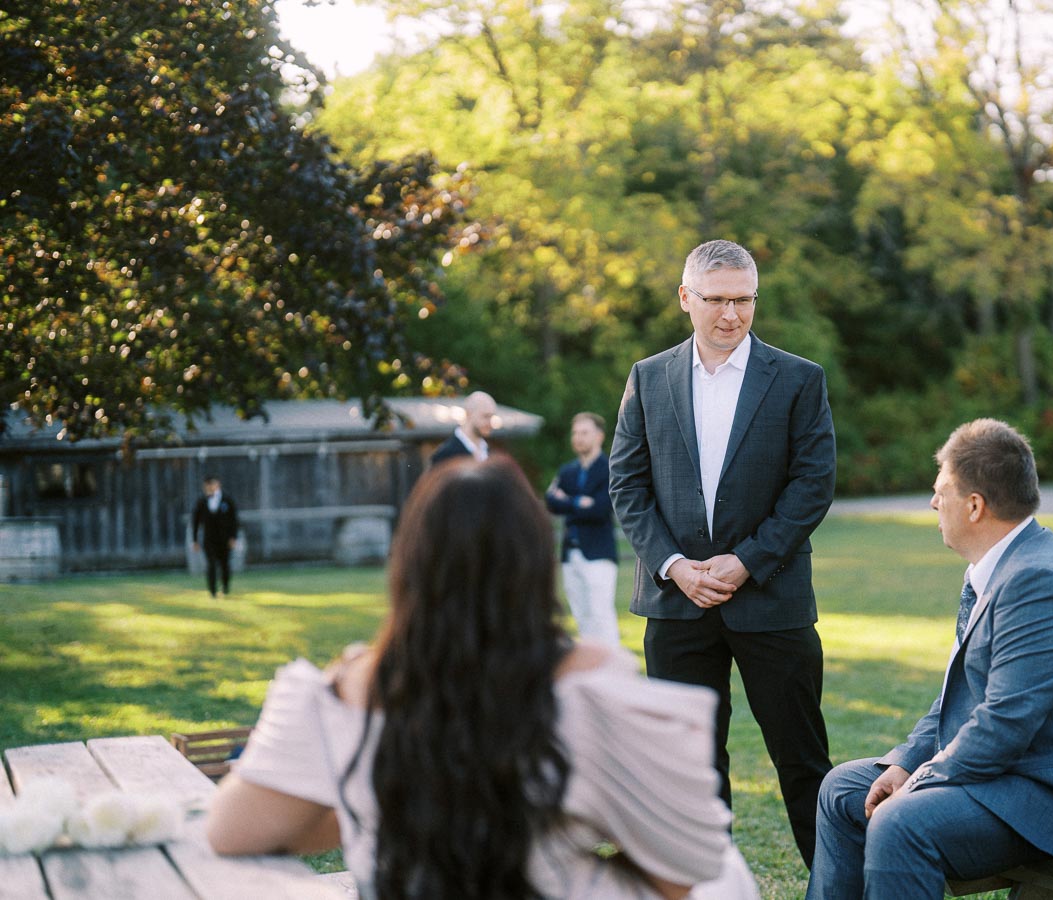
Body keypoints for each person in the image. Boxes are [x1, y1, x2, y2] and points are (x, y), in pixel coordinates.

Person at [206, 457, 758, 900]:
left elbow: (230, 831)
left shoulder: (342, 692)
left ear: (409, 565)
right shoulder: (593, 691)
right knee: (726, 876)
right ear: (534, 566)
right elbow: (682, 876)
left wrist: (368, 800)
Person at [808, 419, 1053, 899]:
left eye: (941, 492)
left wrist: (919, 782)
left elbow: (1003, 724)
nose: (933, 503)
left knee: (899, 824)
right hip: (1005, 780)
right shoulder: (999, 567)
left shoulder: (1041, 583)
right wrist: (905, 762)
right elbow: (957, 693)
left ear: (974, 506)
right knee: (841, 789)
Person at [609, 239, 836, 867]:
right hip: (676, 606)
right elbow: (626, 485)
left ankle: (838, 885)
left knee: (803, 762)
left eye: (743, 300)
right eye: (716, 300)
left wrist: (747, 562)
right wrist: (674, 566)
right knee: (688, 773)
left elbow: (812, 484)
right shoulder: (647, 378)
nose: (730, 314)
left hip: (772, 602)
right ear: (686, 299)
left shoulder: (799, 379)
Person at [546, 412, 622, 646]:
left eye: (584, 432)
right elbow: (551, 502)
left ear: (599, 436)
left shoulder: (610, 468)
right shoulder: (567, 471)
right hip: (570, 553)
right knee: (581, 616)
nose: (578, 438)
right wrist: (580, 502)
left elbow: (600, 508)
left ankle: (613, 672)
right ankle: (592, 673)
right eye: (575, 433)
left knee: (601, 614)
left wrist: (568, 501)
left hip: (598, 552)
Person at [191, 475, 239, 598]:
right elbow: (195, 521)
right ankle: (212, 591)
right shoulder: (201, 502)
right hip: (209, 540)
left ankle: (225, 587)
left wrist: (233, 537)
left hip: (225, 539)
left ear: (217, 485)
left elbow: (234, 520)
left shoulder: (227, 500)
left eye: (212, 484)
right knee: (211, 565)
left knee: (224, 565)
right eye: (208, 485)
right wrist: (195, 540)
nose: (210, 487)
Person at [430, 390, 496, 464]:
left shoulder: (489, 452)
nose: (490, 423)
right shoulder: (446, 454)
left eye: (491, 417)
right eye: (485, 416)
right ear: (468, 414)